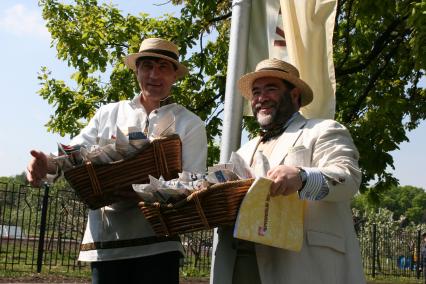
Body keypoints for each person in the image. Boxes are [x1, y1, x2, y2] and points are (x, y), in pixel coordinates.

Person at [27, 38, 208, 284]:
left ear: (175, 75)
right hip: (106, 243)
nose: (154, 74)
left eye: (163, 67)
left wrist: (146, 193)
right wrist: (45, 164)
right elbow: (73, 155)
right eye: (147, 66)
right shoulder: (108, 113)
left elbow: (195, 181)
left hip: (159, 243)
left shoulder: (190, 123)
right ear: (137, 71)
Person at [211, 58, 365, 284]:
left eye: (271, 89)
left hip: (301, 266)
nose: (261, 98)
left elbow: (348, 178)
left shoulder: (324, 130)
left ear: (294, 96)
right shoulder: (244, 150)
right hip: (240, 262)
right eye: (256, 92)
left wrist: (302, 177)